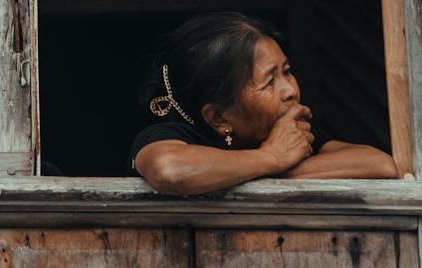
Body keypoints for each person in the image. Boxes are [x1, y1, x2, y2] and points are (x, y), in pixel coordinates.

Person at [130, 11, 400, 195]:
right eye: (269, 82)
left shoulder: (292, 138)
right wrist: (270, 158)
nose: (290, 91)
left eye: (287, 71)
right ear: (219, 118)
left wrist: (268, 168)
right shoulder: (172, 137)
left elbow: (380, 165)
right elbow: (170, 169)